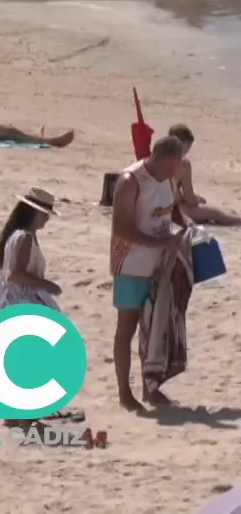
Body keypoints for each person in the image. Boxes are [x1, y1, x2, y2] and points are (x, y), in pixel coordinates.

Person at [110, 134, 189, 410]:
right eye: (173, 166)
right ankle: (124, 392)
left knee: (154, 327)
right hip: (130, 264)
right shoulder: (130, 181)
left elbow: (173, 211)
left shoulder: (168, 178)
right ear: (159, 158)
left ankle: (149, 388)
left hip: (159, 265)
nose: (175, 172)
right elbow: (121, 229)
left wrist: (188, 229)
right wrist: (160, 242)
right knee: (127, 327)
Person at [0, 187, 61, 311]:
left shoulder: (17, 234)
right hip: (22, 301)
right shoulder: (25, 237)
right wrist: (48, 285)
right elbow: (16, 274)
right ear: (33, 213)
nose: (47, 219)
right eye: (44, 214)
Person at [167, 123, 241, 226]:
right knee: (216, 214)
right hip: (169, 212)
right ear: (183, 144)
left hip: (153, 208)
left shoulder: (159, 157)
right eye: (188, 148)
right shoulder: (183, 164)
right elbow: (189, 198)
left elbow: (172, 193)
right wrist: (196, 199)